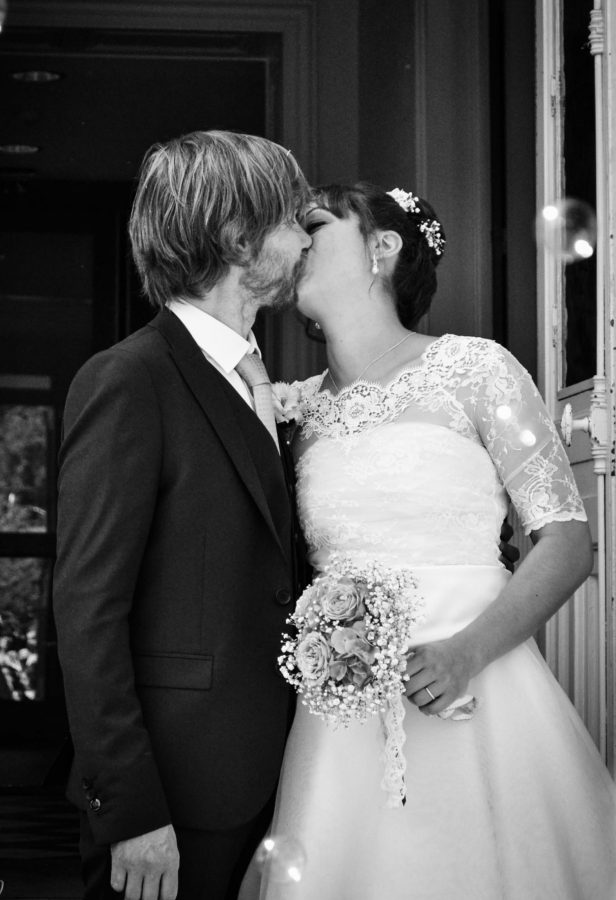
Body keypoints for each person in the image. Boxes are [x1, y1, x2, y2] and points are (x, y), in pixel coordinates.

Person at [247, 182, 616, 899]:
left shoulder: (477, 370)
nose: (293, 239)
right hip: (342, 722)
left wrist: (464, 654)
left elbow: (568, 541)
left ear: (381, 247)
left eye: (315, 224)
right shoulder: (296, 409)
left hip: (480, 691)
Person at [52, 130, 312, 900]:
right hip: (171, 800)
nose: (306, 240)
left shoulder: (260, 380)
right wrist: (129, 809)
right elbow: (88, 608)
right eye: (293, 220)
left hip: (278, 782)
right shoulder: (130, 380)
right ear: (239, 239)